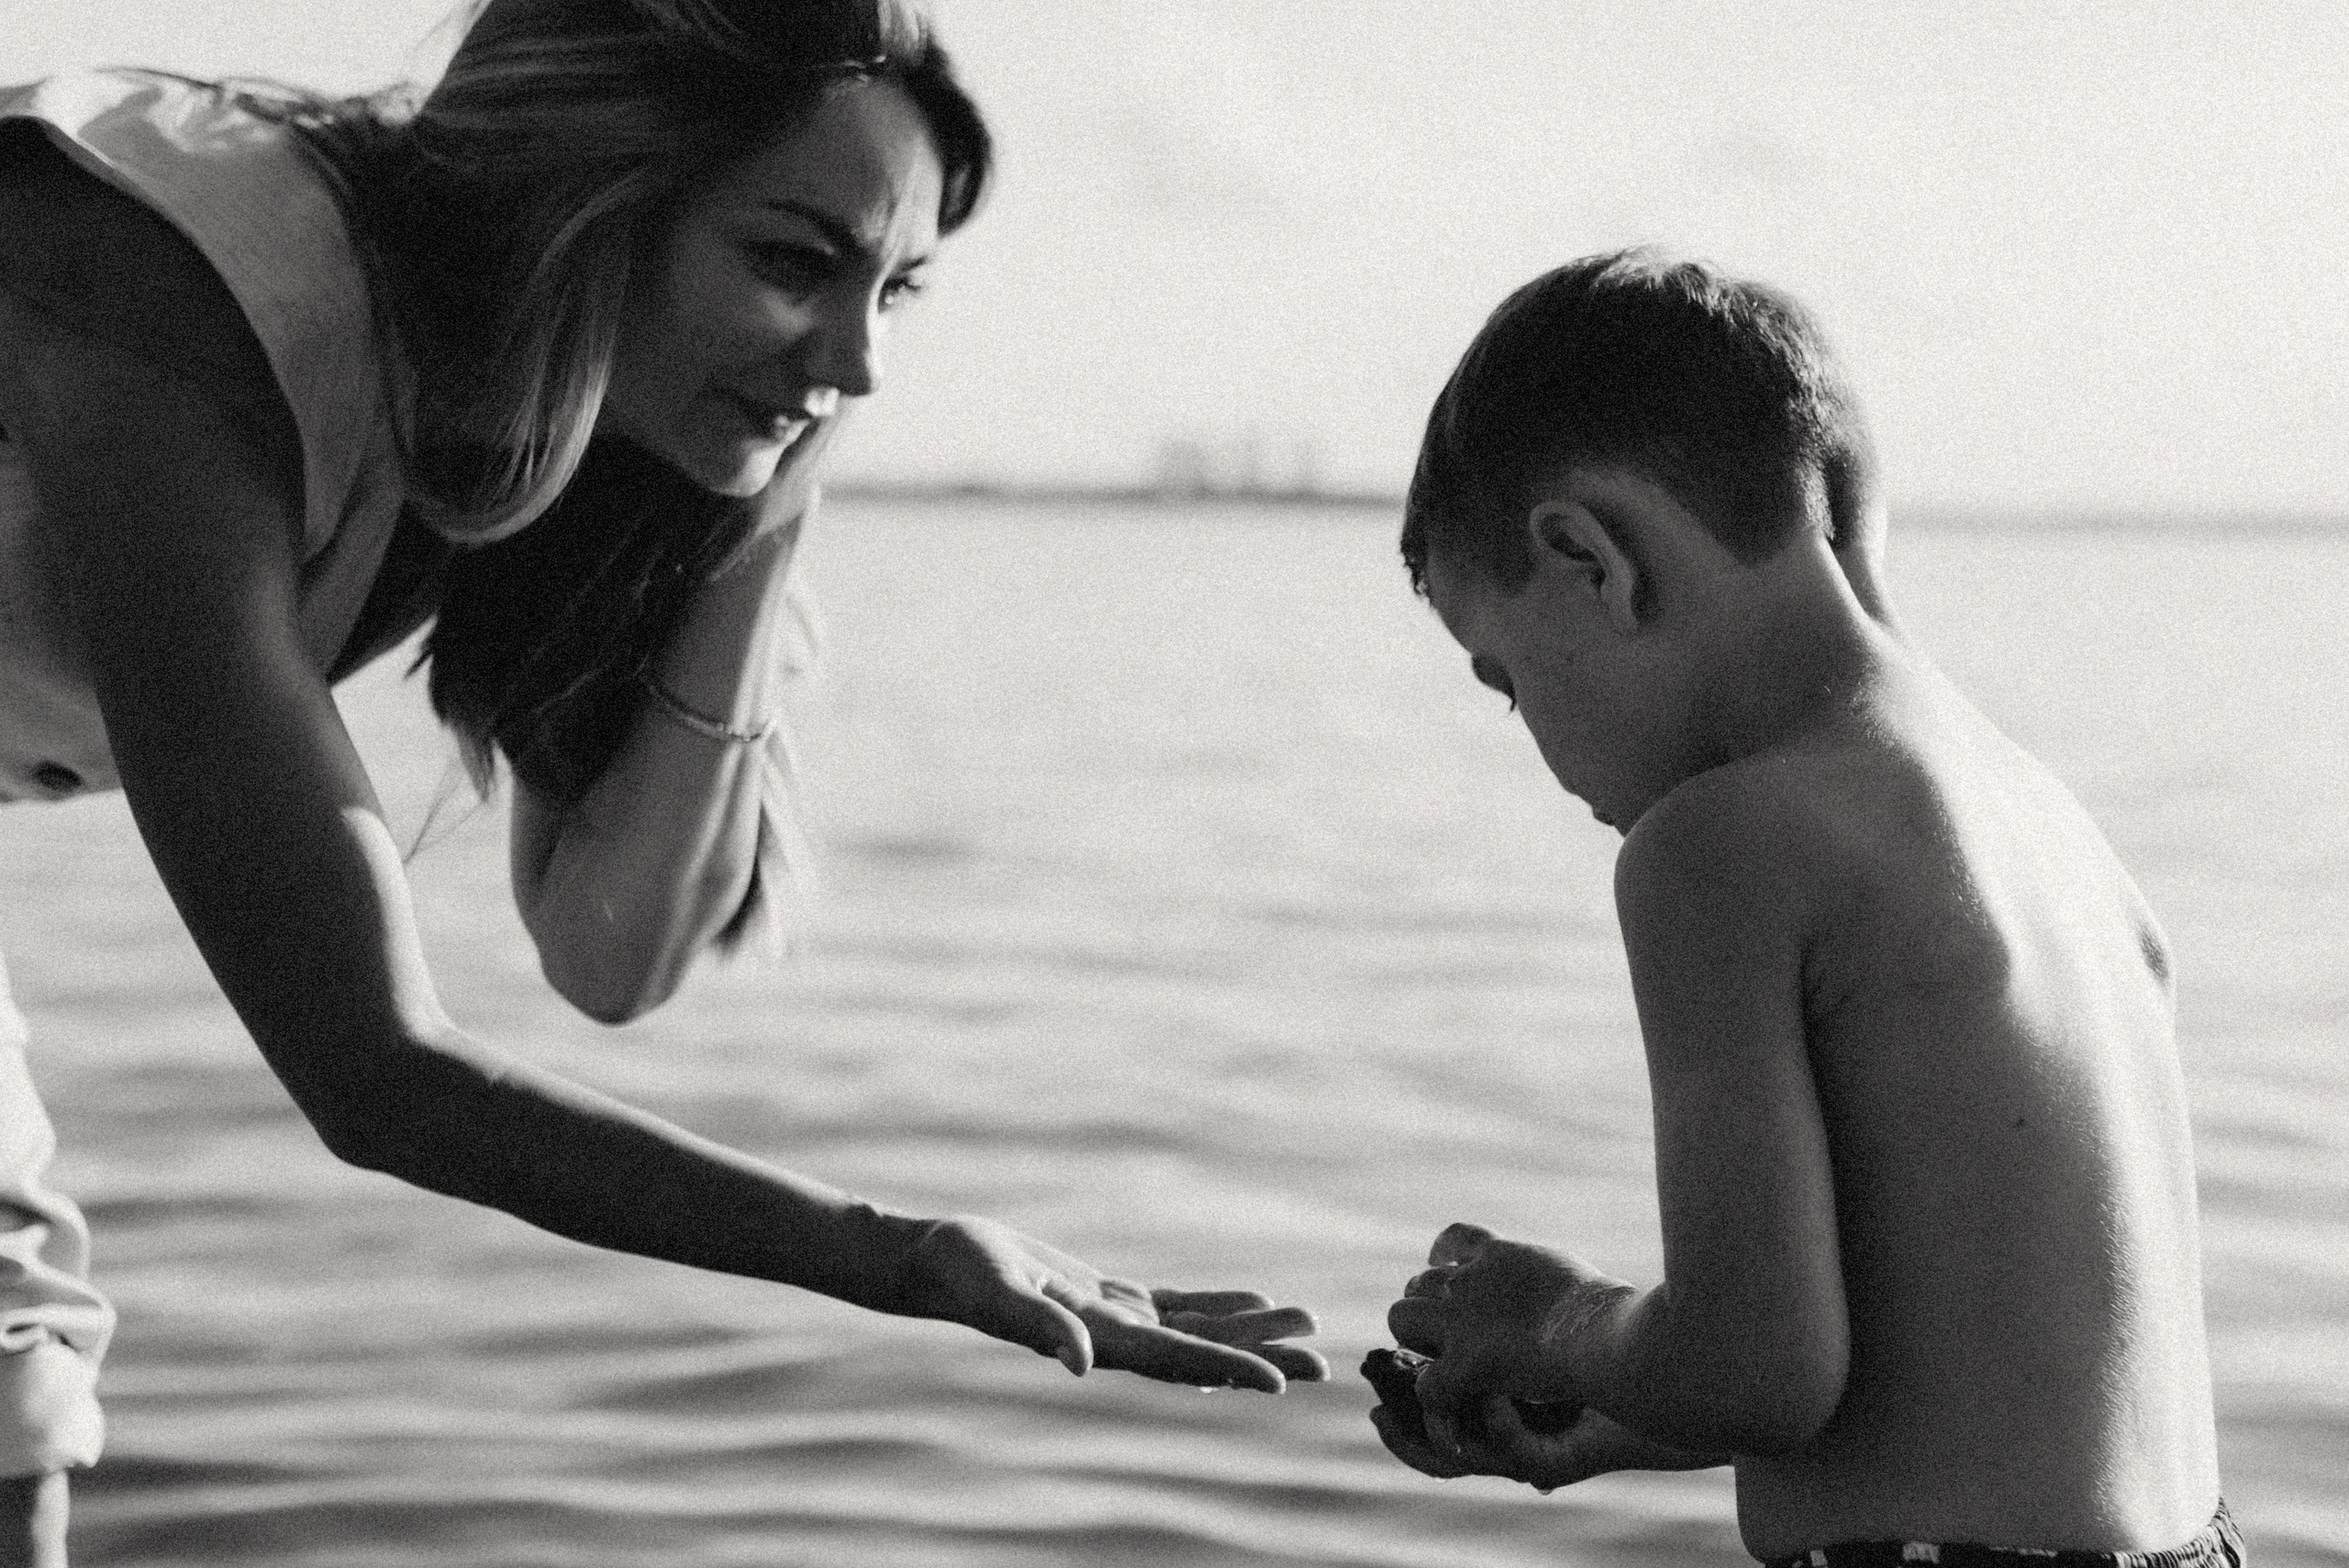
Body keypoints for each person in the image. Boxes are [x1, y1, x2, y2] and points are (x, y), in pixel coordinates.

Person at [0, 1, 1326, 1559]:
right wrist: (894, 1256)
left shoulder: (537, 416)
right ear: (592, 203)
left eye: (895, 290)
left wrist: (768, 507)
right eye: (793, 263)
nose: (865, 359)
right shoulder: (181, 287)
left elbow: (611, 951)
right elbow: (371, 1074)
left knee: (21, 1405)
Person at [1371, 250, 2241, 1566]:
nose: (1534, 741)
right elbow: (1964, 1350)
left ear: (1586, 560)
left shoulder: (1715, 848)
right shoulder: (2055, 831)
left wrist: (1555, 1318)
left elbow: (1761, 1365)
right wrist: (1609, 1415)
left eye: (1505, 680)